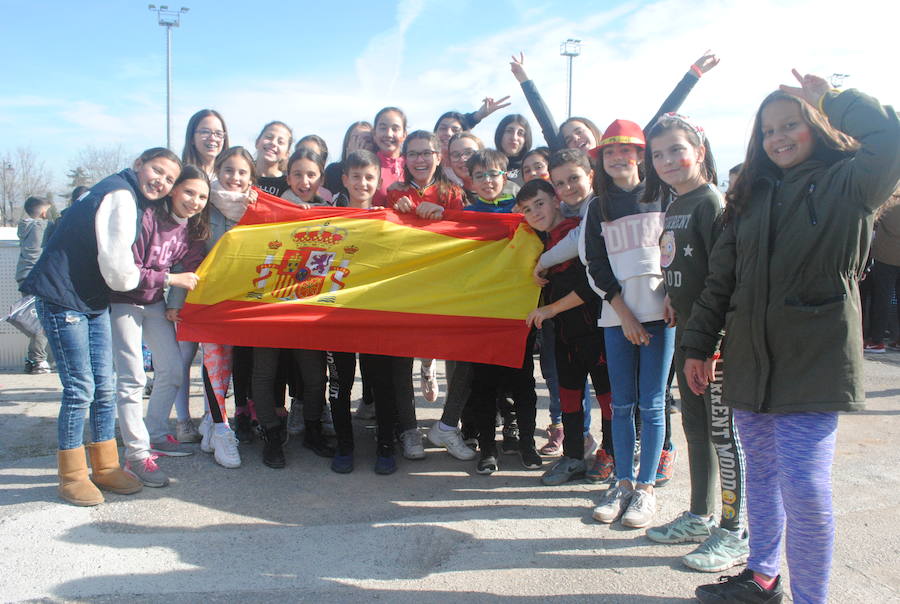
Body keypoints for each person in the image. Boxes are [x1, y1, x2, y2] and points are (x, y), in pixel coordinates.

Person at [685, 71, 900, 604]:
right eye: (768, 130)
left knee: (803, 489)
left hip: (815, 358)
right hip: (750, 360)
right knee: (761, 474)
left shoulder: (852, 182)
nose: (778, 137)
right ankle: (762, 576)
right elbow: (721, 280)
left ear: (818, 127)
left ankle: (812, 598)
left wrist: (831, 97)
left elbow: (891, 138)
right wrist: (698, 344)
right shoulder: (748, 197)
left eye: (791, 125)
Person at [21, 147, 183, 506]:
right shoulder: (122, 195)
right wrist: (160, 278)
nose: (162, 181)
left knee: (105, 386)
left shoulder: (135, 197)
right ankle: (72, 475)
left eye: (170, 179)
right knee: (80, 388)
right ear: (139, 164)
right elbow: (118, 269)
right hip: (64, 297)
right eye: (158, 170)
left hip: (92, 300)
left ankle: (106, 466)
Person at [638, 113, 749, 573]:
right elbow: (682, 266)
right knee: (697, 431)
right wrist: (670, 297)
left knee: (725, 436)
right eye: (658, 154)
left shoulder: (711, 203)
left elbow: (725, 279)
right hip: (687, 333)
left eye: (676, 150)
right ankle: (700, 516)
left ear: (700, 151)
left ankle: (734, 531)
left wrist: (711, 346)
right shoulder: (674, 205)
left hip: (713, 343)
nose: (666, 160)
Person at [578, 120, 675, 530]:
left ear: (641, 155)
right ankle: (621, 482)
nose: (619, 158)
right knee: (621, 404)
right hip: (617, 317)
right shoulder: (597, 206)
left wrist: (674, 294)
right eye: (610, 152)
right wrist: (625, 314)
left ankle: (646, 488)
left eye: (628, 150)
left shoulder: (665, 196)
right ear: (601, 160)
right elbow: (594, 265)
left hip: (663, 316)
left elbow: (681, 251)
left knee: (653, 403)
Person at [109, 166, 209, 487]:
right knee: (132, 378)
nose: (195, 201)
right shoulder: (150, 217)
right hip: (122, 299)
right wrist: (169, 279)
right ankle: (136, 455)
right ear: (174, 190)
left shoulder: (192, 230)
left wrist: (176, 302)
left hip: (154, 302)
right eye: (189, 192)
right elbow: (131, 268)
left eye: (202, 196)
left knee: (172, 370)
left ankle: (155, 433)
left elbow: (191, 270)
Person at [518, 179, 610, 486]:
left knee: (608, 397)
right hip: (561, 336)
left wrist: (550, 309)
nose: (535, 212)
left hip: (595, 330)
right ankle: (572, 456)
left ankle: (611, 455)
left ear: (557, 200)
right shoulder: (537, 240)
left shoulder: (579, 230)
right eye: (527, 209)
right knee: (568, 398)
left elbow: (593, 285)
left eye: (540, 203)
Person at [194, 147, 259, 469]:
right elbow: (189, 251)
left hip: (247, 302)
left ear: (251, 178)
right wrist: (177, 303)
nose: (235, 178)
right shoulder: (205, 207)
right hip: (210, 299)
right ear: (218, 170)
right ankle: (221, 429)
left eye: (242, 172)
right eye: (229, 170)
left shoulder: (259, 207)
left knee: (242, 366)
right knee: (215, 364)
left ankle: (213, 420)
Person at [327, 149, 383, 474]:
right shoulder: (327, 215)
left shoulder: (385, 216)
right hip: (336, 317)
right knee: (340, 382)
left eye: (369, 177)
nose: (362, 183)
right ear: (345, 179)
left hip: (375, 313)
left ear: (377, 181)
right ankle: (344, 445)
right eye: (356, 177)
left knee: (377, 380)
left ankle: (384, 445)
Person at [16, 195, 52, 374]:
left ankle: (35, 359)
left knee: (36, 317)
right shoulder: (42, 226)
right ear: (44, 212)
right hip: (37, 278)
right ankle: (37, 360)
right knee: (41, 319)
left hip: (24, 276)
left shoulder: (24, 226)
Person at [864, 185, 900, 352]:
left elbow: (876, 220)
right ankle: (897, 339)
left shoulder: (891, 203)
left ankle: (877, 340)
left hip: (886, 258)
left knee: (882, 298)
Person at [372, 107, 408, 206]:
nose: (389, 134)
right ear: (374, 133)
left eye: (395, 129)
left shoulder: (414, 165)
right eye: (383, 128)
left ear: (404, 135)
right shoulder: (366, 166)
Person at [182, 109, 230, 178]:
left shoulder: (230, 179)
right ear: (192, 137)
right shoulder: (180, 175)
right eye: (205, 132)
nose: (212, 138)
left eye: (218, 133)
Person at [254, 121, 293, 197]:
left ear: (286, 154)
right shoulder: (241, 173)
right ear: (257, 142)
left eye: (280, 142)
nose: (273, 143)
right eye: (269, 137)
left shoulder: (288, 184)